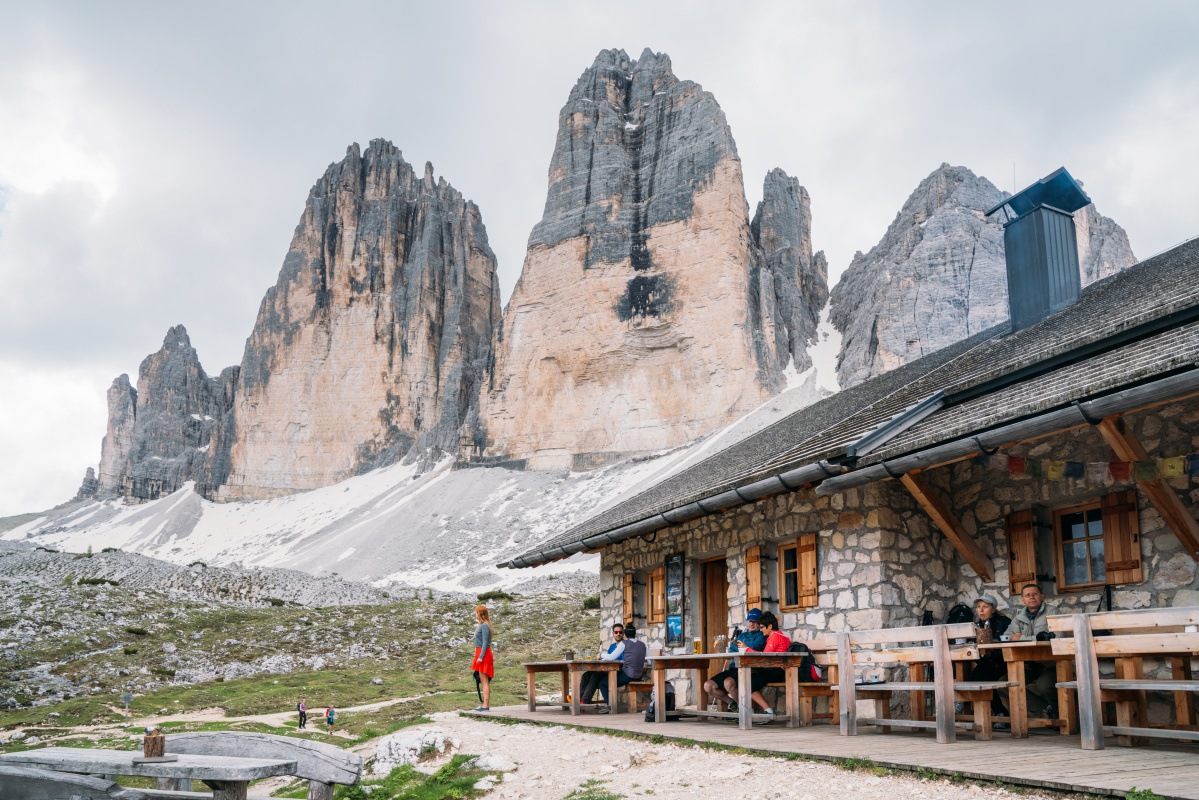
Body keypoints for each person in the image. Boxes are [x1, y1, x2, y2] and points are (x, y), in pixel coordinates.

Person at [1006, 583, 1057, 718]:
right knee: (1006, 682)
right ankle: (1046, 709)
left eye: (1035, 594)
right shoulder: (1018, 617)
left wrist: (1023, 638)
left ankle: (1059, 715)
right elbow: (1008, 636)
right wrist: (1015, 638)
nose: (1031, 597)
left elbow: (1058, 636)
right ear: (1022, 599)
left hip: (1052, 663)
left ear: (1041, 596)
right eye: (1027, 595)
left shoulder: (1052, 612)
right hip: (1030, 665)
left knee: (1044, 686)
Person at [702, 608, 768, 712]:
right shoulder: (742, 635)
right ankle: (732, 704)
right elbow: (732, 648)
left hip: (750, 669)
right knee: (708, 686)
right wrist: (742, 646)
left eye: (755, 622)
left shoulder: (762, 635)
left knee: (728, 683)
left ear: (760, 623)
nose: (752, 624)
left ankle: (746, 711)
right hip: (734, 669)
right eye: (750, 621)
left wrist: (742, 646)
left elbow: (755, 646)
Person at [963, 595, 1010, 721]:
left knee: (981, 674)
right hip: (986, 663)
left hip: (1003, 662)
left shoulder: (1004, 622)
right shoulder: (977, 625)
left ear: (993, 609)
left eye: (985, 607)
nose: (981, 610)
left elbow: (1007, 644)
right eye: (979, 607)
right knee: (982, 673)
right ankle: (1001, 713)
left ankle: (962, 701)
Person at [745, 611, 789, 724]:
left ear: (770, 626)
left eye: (762, 627)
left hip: (776, 670)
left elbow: (765, 656)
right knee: (749, 681)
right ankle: (758, 711)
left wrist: (746, 649)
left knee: (748, 683)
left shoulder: (774, 636)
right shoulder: (780, 635)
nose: (760, 630)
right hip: (778, 669)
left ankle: (769, 712)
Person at [598, 624, 645, 712]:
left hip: (628, 675)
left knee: (603, 683)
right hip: (639, 675)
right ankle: (609, 705)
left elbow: (612, 657)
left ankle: (610, 706)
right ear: (635, 635)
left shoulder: (624, 643)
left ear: (625, 635)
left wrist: (601, 655)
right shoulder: (642, 644)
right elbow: (648, 661)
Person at [580, 623, 625, 704]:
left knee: (595, 676)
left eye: (620, 632)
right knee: (586, 675)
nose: (618, 634)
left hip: (616, 672)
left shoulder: (625, 646)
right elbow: (608, 658)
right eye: (616, 632)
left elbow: (623, 662)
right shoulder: (612, 646)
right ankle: (579, 699)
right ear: (613, 634)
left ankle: (585, 701)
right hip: (607, 669)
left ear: (623, 633)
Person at [472, 604, 494, 712]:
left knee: (485, 681)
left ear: (480, 614)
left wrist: (480, 657)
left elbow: (485, 643)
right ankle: (485, 704)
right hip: (480, 653)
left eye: (476, 612)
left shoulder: (484, 626)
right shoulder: (482, 625)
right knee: (483, 681)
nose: (475, 614)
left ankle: (485, 705)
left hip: (483, 654)